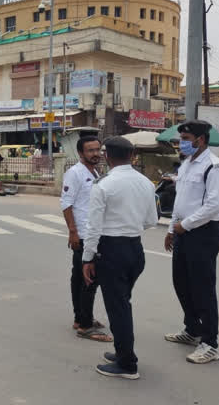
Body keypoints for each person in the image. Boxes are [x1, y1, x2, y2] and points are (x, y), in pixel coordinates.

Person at [82, 136, 157, 380]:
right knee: (122, 303)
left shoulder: (103, 185)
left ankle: (127, 363)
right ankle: (121, 351)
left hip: (111, 250)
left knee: (118, 308)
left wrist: (87, 258)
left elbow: (93, 227)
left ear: (107, 156)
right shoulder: (146, 182)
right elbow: (150, 221)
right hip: (135, 249)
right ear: (132, 155)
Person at [164, 120, 219, 364]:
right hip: (183, 232)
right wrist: (172, 229)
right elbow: (181, 201)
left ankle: (210, 343)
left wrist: (185, 225)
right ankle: (192, 330)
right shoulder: (187, 165)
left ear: (200, 140)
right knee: (181, 283)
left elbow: (214, 206)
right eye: (181, 139)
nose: (181, 143)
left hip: (204, 234)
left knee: (203, 289)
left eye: (186, 139)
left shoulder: (215, 168)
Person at [61, 136, 112, 343]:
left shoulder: (95, 172)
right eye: (90, 150)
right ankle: (85, 325)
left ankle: (80, 317)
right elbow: (66, 204)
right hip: (83, 234)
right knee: (89, 278)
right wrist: (73, 232)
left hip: (91, 232)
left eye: (97, 149)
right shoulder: (75, 173)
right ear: (81, 153)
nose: (95, 154)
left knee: (78, 277)